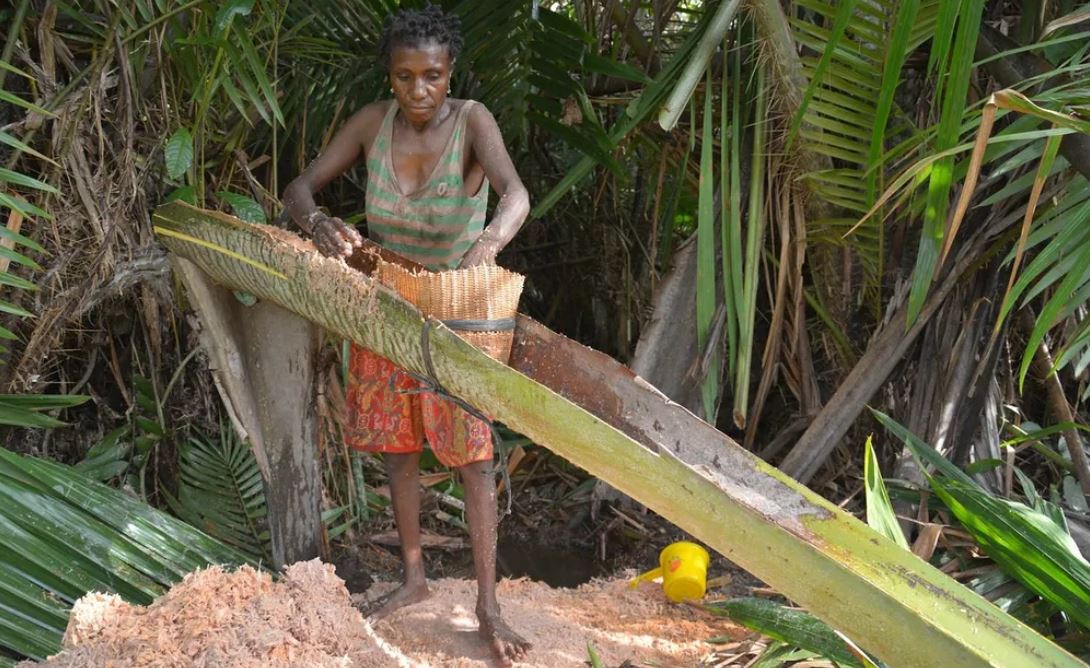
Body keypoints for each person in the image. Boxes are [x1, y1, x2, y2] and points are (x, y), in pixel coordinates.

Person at [282, 5, 531, 666]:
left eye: (432, 76)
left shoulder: (474, 121)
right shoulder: (372, 123)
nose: (418, 90)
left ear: (451, 73)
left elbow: (516, 195)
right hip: (383, 306)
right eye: (404, 77)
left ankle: (487, 605)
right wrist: (317, 225)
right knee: (398, 449)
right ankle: (414, 577)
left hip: (456, 311)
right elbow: (299, 186)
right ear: (389, 78)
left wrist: (490, 240)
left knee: (473, 457)